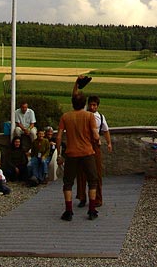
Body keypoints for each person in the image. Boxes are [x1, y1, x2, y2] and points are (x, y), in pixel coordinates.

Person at [56, 78, 100, 221]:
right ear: (84, 104)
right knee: (92, 181)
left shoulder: (65, 116)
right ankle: (92, 210)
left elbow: (58, 137)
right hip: (87, 152)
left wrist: (59, 153)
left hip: (71, 153)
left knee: (68, 183)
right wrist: (97, 141)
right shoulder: (89, 116)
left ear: (73, 103)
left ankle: (68, 211)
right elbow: (95, 135)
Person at [76, 94, 113, 208]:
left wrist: (109, 143)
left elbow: (105, 130)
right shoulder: (83, 115)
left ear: (97, 106)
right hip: (83, 145)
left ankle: (98, 198)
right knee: (81, 172)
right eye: (90, 104)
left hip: (95, 146)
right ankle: (82, 197)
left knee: (96, 173)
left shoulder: (100, 117)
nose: (92, 107)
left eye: (94, 105)